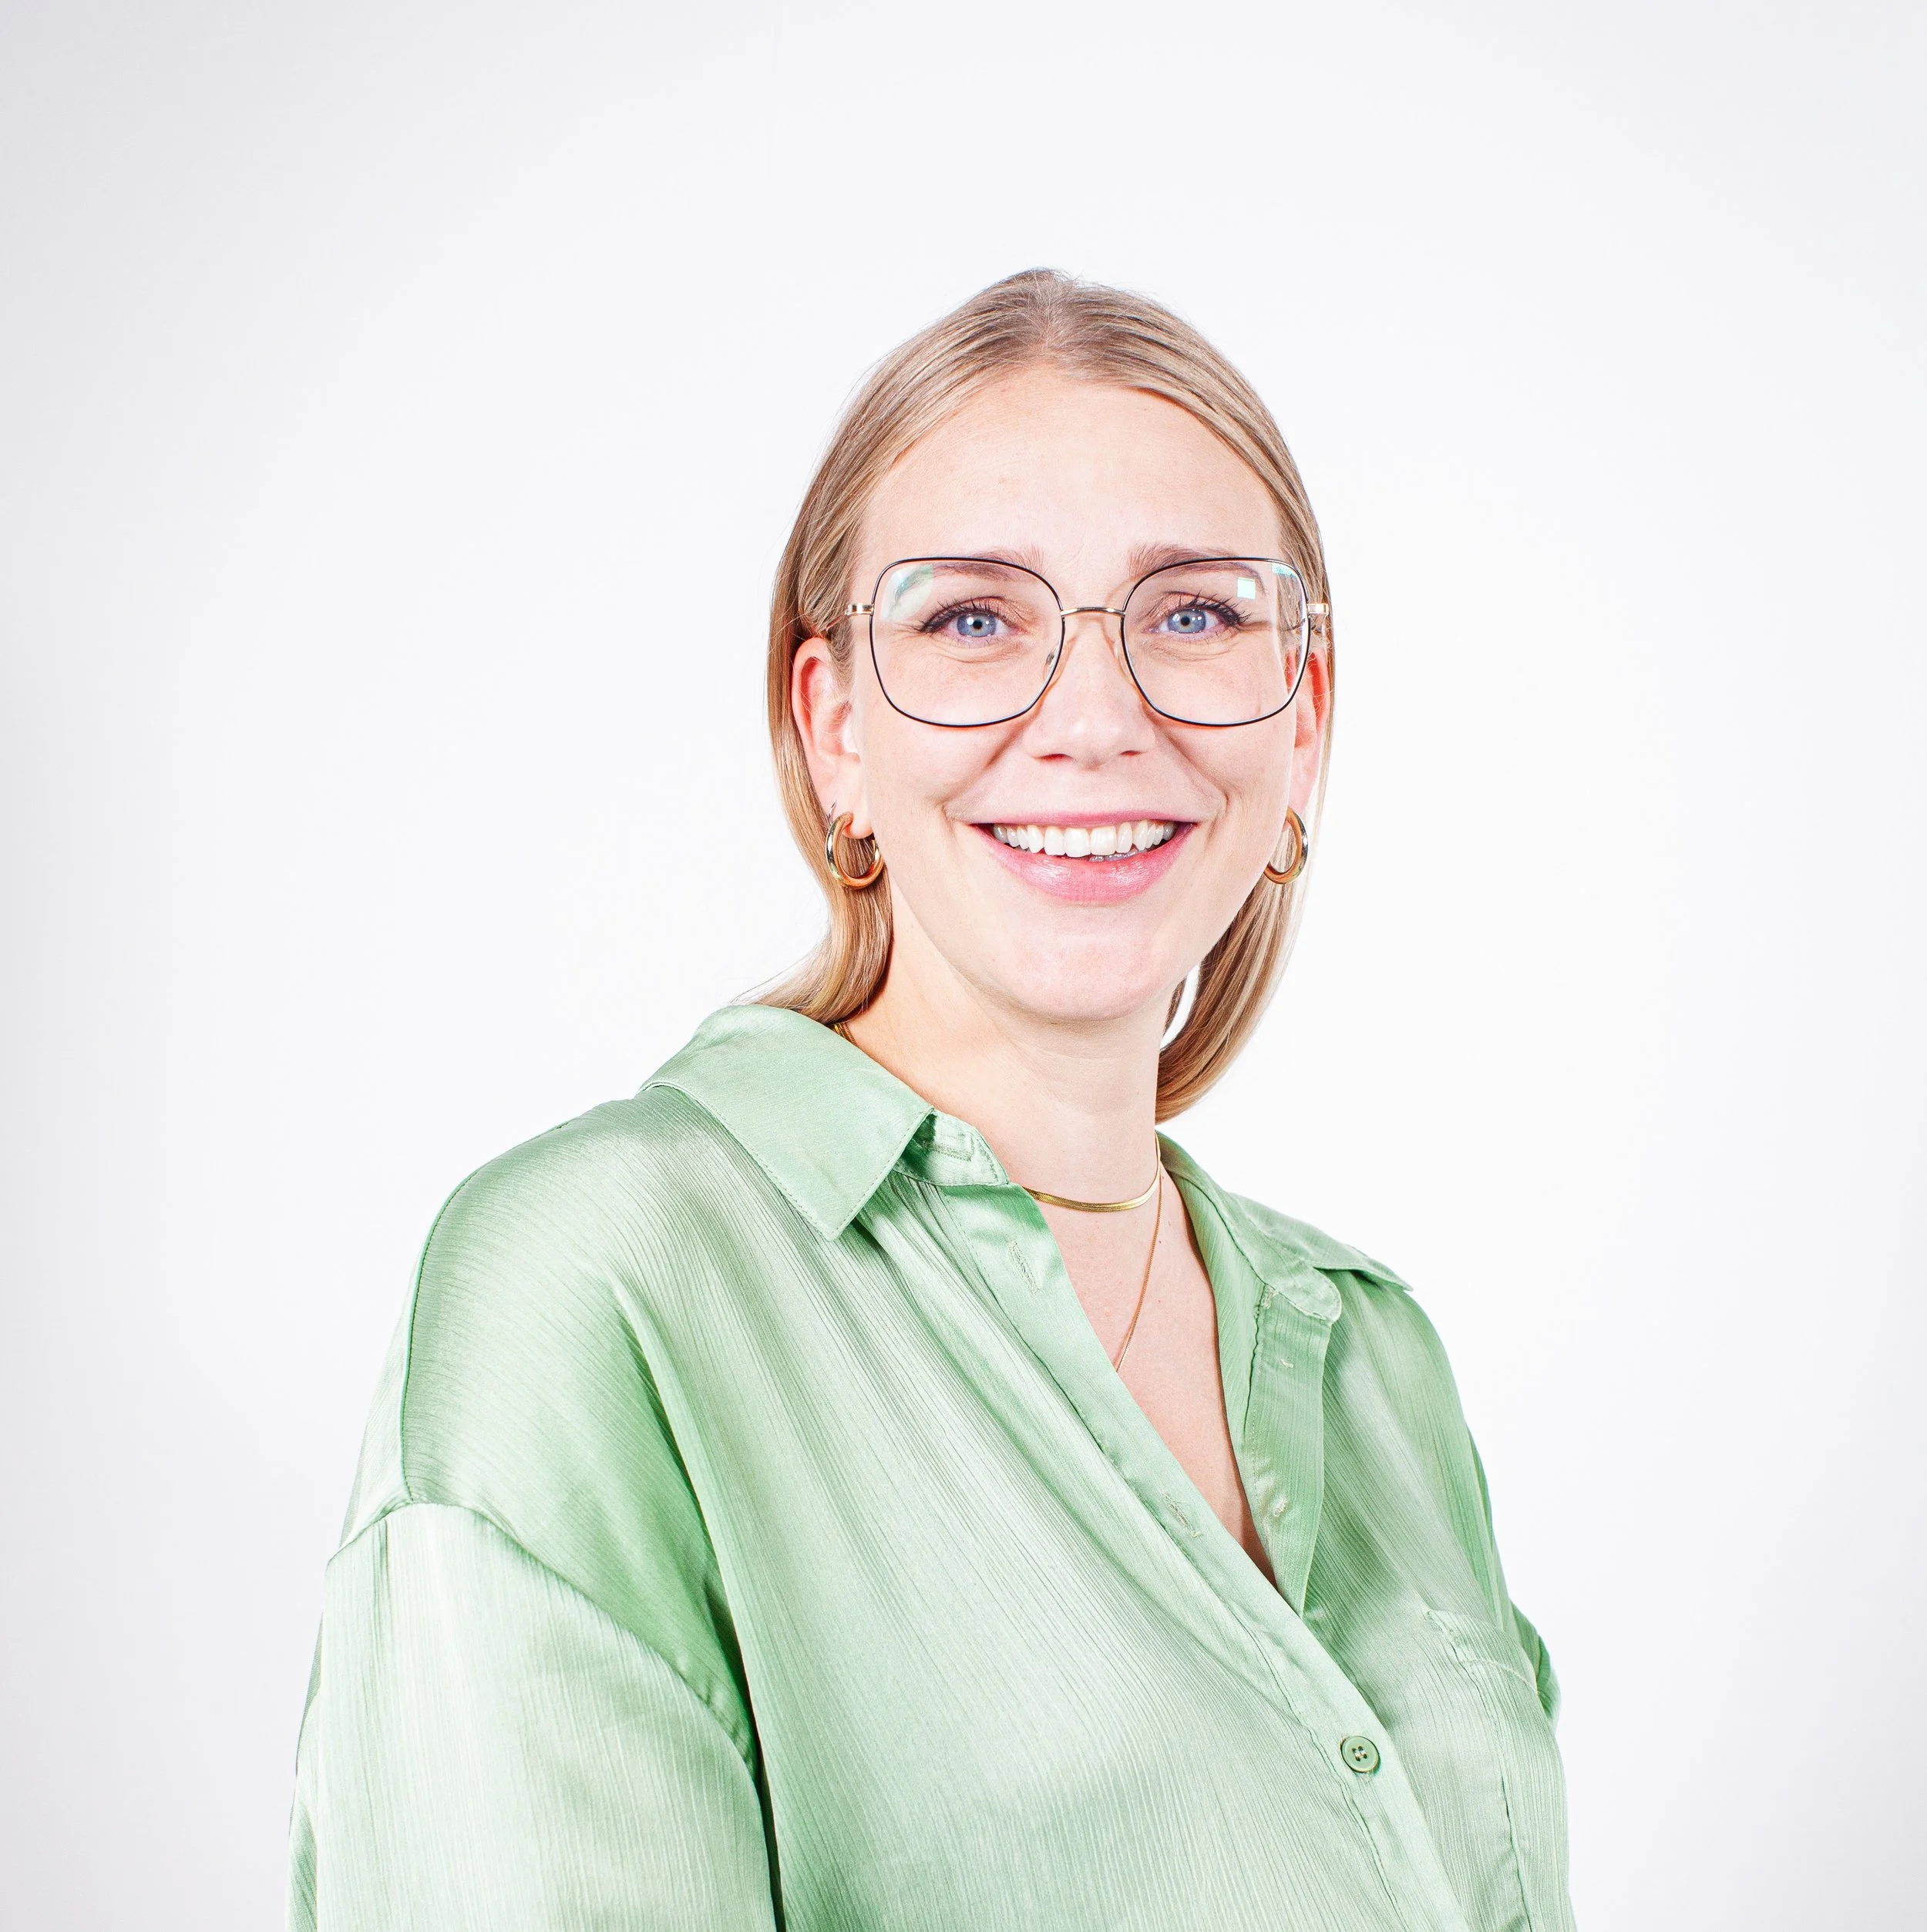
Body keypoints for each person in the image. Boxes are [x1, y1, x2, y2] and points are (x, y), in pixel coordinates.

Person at [288, 269, 1574, 1932]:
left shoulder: (1372, 1353)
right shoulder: (597, 1286)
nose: (1096, 721)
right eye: (973, 619)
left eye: (1194, 615)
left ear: (1303, 723)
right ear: (833, 729)